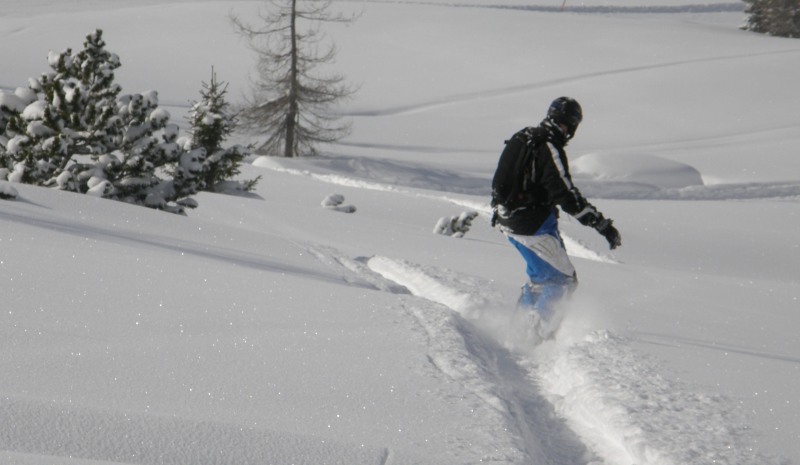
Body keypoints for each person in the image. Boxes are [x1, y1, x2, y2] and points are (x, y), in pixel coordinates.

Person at [491, 97, 621, 324]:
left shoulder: (524, 136)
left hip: (509, 219)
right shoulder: (548, 146)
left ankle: (518, 328)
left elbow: (502, 179)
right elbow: (566, 194)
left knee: (541, 280)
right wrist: (600, 224)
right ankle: (537, 334)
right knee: (561, 281)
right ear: (570, 125)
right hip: (532, 224)